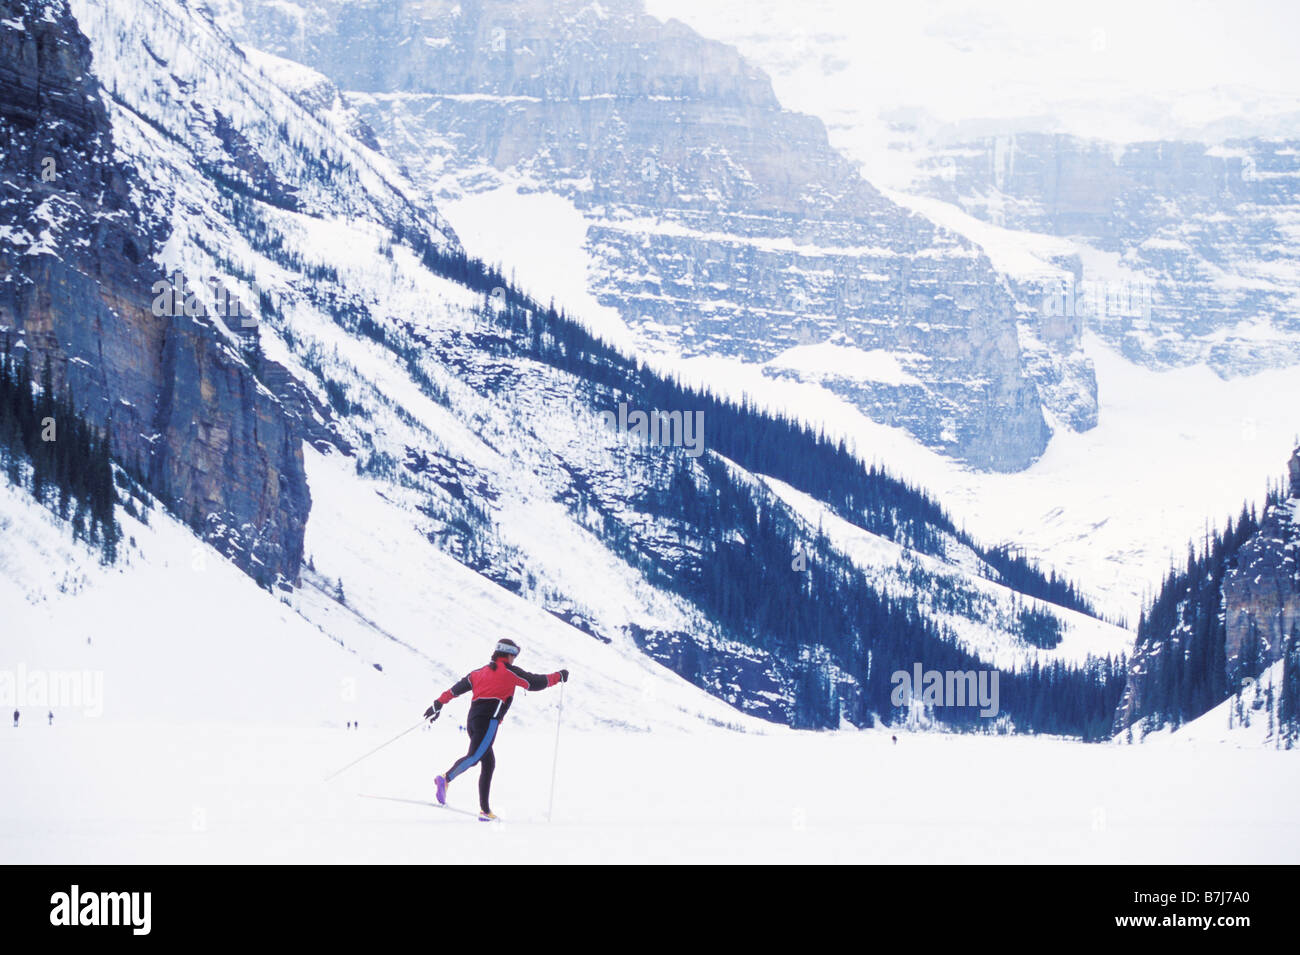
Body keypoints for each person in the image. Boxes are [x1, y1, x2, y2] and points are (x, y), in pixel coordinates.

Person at [424, 639, 568, 821]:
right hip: (488, 722)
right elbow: (535, 683)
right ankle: (446, 778)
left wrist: (437, 705)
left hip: (473, 721)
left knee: (488, 762)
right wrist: (559, 676)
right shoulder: (510, 672)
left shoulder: (478, 673)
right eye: (514, 655)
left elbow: (454, 690)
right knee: (475, 757)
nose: (515, 659)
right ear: (509, 655)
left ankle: (485, 811)